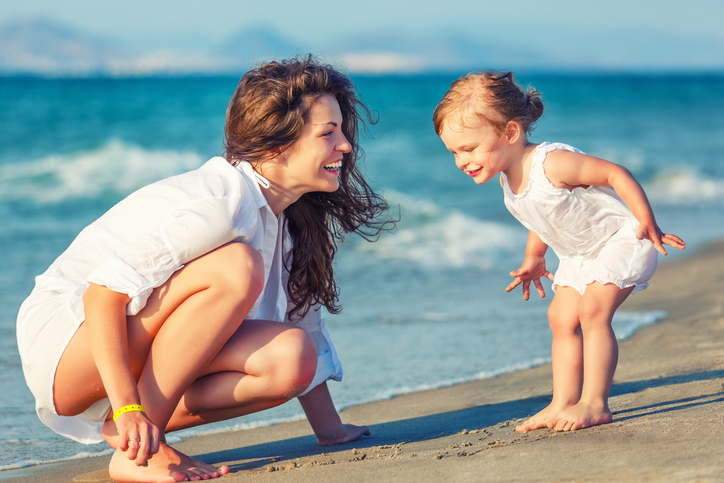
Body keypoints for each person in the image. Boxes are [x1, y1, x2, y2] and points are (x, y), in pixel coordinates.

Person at [16, 56, 392, 482]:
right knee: (237, 267)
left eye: (342, 131)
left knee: (293, 357)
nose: (345, 145)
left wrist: (332, 431)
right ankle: (139, 448)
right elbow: (102, 294)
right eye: (328, 133)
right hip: (69, 343)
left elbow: (300, 322)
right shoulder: (223, 206)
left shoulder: (289, 218)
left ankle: (128, 434)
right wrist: (127, 407)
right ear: (276, 146)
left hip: (128, 344)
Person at [433, 71, 685, 433]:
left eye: (469, 148)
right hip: (580, 256)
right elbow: (543, 217)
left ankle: (595, 403)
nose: (461, 160)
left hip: (621, 240)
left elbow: (616, 174)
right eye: (454, 152)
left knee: (592, 312)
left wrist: (647, 220)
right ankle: (562, 402)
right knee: (560, 319)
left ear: (510, 132)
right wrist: (535, 256)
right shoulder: (509, 176)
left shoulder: (553, 163)